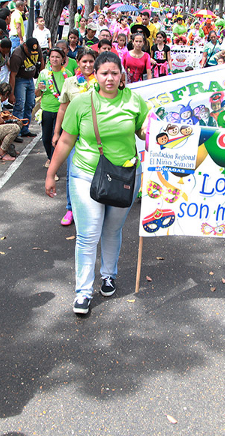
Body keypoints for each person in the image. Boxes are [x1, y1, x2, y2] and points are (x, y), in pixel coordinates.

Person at [44, 51, 148, 315]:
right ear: (95, 75)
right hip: (86, 175)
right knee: (88, 234)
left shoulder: (135, 101)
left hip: (125, 176)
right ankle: (82, 292)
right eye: (104, 73)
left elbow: (144, 131)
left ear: (121, 75)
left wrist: (155, 132)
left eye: (114, 73)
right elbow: (66, 141)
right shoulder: (81, 103)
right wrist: (51, 173)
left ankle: (108, 276)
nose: (109, 78)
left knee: (112, 230)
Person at [54, 48, 96, 227]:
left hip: (96, 137)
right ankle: (71, 208)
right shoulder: (70, 82)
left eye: (91, 61)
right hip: (74, 136)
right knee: (72, 173)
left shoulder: (102, 81)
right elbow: (63, 108)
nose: (87, 65)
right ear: (77, 62)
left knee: (96, 174)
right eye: (83, 61)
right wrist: (56, 133)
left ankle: (93, 207)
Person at [37, 47, 67, 165]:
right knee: (46, 138)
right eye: (52, 57)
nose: (54, 59)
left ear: (62, 59)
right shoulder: (43, 74)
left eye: (57, 57)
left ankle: (53, 162)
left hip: (61, 110)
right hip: (47, 109)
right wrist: (39, 89)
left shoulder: (67, 74)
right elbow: (37, 94)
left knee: (57, 137)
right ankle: (50, 157)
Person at [8, 37, 41, 138]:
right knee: (20, 105)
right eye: (30, 51)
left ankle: (25, 129)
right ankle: (16, 131)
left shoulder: (36, 49)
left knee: (30, 104)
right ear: (25, 46)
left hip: (30, 79)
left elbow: (41, 60)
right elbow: (12, 75)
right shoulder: (17, 55)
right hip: (20, 80)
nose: (32, 53)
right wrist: (11, 94)